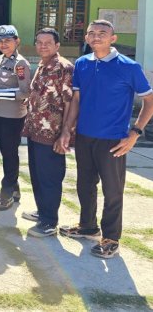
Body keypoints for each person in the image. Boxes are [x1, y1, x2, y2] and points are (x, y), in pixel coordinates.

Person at [57, 20, 153, 258]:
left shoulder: (129, 67)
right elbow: (77, 100)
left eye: (102, 33)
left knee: (112, 190)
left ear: (113, 38)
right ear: (87, 38)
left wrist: (135, 133)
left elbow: (149, 102)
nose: (96, 37)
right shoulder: (82, 64)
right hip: (85, 137)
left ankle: (111, 237)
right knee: (84, 184)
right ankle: (88, 226)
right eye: (91, 33)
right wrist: (68, 128)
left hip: (113, 140)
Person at [21, 28, 74, 237]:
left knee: (50, 176)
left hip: (52, 133)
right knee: (36, 173)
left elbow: (70, 102)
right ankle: (43, 211)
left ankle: (49, 221)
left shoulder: (64, 67)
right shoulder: (43, 65)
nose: (43, 46)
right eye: (39, 42)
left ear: (57, 45)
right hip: (35, 129)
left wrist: (65, 133)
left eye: (48, 42)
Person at [0, 24, 32, 210]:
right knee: (7, 153)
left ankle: (6, 193)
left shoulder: (20, 64)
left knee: (9, 155)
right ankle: (14, 190)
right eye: (0, 41)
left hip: (12, 116)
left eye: (8, 40)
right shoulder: (0, 59)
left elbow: (25, 92)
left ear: (17, 41)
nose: (3, 44)